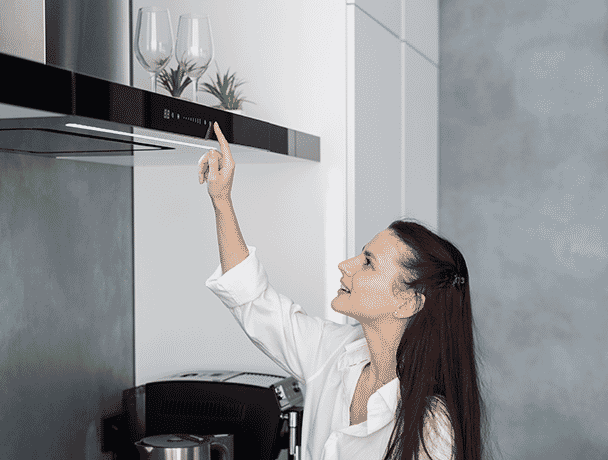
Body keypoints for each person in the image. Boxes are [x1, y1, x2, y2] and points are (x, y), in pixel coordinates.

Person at [198, 122, 488, 460]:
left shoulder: (432, 428)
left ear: (407, 301)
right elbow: (251, 298)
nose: (345, 265)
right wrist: (221, 200)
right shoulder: (334, 353)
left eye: (368, 263)